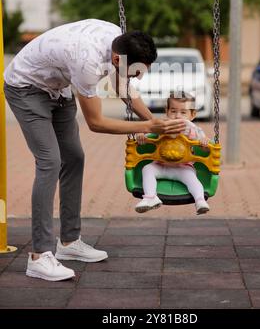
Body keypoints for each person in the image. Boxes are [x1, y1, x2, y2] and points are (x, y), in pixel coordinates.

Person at [4, 19, 185, 281]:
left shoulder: (117, 40)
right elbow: (96, 123)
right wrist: (149, 125)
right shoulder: (86, 61)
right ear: (115, 58)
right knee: (50, 162)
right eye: (134, 72)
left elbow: (123, 87)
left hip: (58, 87)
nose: (136, 77)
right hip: (25, 88)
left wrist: (157, 122)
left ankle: (68, 243)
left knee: (74, 158)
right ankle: (39, 256)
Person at [135, 92, 211, 215]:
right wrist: (142, 137)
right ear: (167, 111)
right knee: (147, 169)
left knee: (193, 180)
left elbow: (207, 149)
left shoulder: (194, 131)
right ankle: (150, 197)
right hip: (160, 165)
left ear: (192, 115)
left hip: (183, 167)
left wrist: (204, 143)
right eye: (173, 111)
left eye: (183, 112)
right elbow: (148, 137)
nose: (177, 116)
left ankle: (200, 200)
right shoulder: (162, 126)